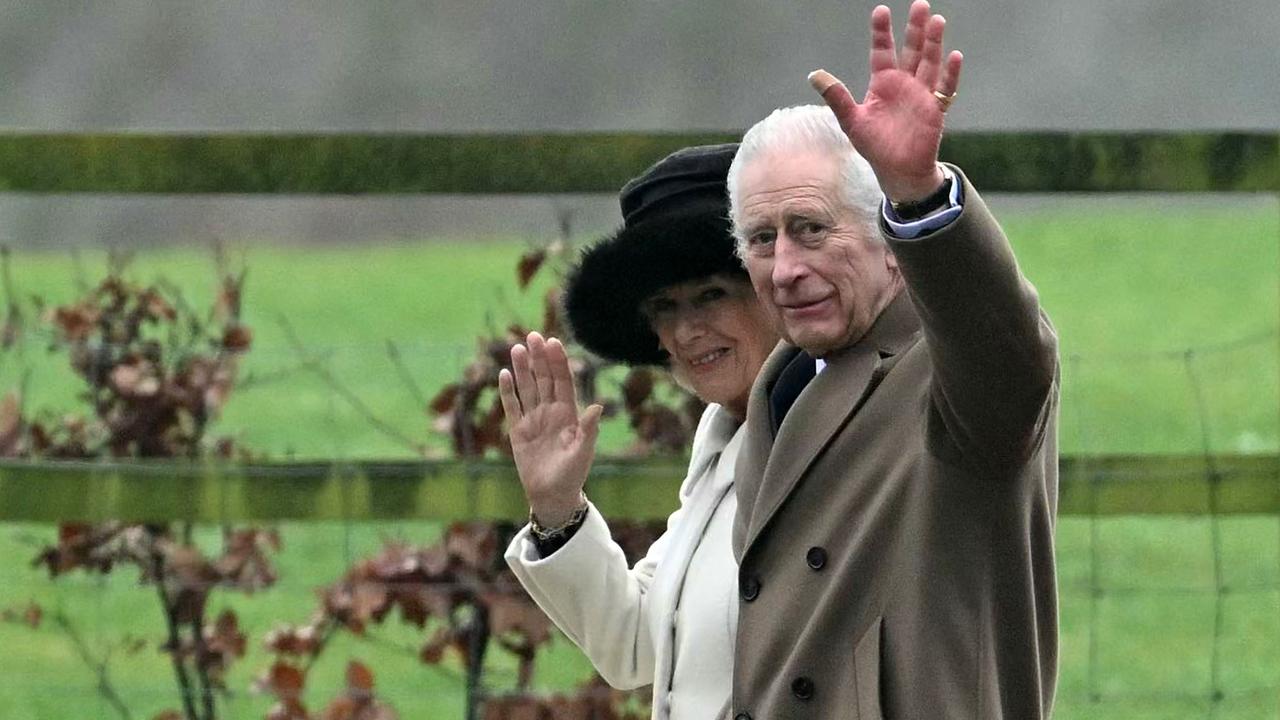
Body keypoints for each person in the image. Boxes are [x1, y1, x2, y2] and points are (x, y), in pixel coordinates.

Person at [721, 2, 1060, 719]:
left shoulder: (951, 375)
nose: (784, 268)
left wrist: (918, 195)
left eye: (810, 230)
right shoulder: (779, 385)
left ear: (885, 240)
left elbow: (1008, 354)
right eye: (760, 239)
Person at [498, 144, 779, 720]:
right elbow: (637, 642)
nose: (687, 329)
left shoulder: (842, 426)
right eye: (664, 307)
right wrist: (556, 507)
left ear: (775, 288)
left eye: (711, 294)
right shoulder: (723, 437)